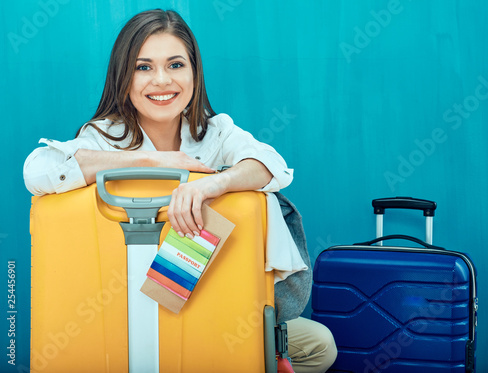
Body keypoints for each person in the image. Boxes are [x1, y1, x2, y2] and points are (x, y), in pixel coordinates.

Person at [23, 9, 337, 372]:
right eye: (143, 67)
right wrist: (152, 163)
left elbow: (271, 165)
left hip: (214, 300)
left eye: (175, 65)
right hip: (118, 305)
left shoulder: (215, 133)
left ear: (193, 73)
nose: (161, 80)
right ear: (122, 77)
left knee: (319, 346)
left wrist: (213, 183)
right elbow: (38, 171)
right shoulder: (103, 137)